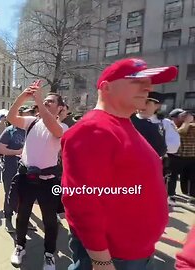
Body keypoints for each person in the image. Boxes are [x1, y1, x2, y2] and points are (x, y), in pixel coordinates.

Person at [62, 58, 177, 270]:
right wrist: (101, 260)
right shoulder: (94, 129)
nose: (148, 87)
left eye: (150, 82)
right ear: (106, 87)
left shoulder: (124, 125)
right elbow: (82, 200)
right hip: (114, 258)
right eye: (137, 81)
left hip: (134, 253)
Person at [7, 80, 68, 269]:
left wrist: (40, 102)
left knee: (50, 221)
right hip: (26, 177)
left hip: (48, 182)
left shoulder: (63, 128)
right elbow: (11, 117)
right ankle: (20, 246)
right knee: (22, 215)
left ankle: (49, 254)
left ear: (60, 108)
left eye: (51, 102)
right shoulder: (31, 122)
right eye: (45, 101)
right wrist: (22, 97)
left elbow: (55, 130)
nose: (47, 103)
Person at [0, 106, 30, 233]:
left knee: (25, 196)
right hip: (11, 168)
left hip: (27, 170)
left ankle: (23, 221)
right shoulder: (10, 131)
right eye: (26, 115)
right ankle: (8, 220)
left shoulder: (30, 131)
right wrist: (19, 152)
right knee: (10, 194)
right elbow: (0, 149)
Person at [168, 108, 195, 205]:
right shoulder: (171, 126)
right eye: (181, 116)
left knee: (193, 178)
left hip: (192, 157)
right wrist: (186, 122)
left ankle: (192, 198)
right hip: (176, 156)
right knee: (173, 177)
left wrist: (188, 122)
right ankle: (170, 195)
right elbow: (180, 133)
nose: (183, 118)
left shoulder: (192, 126)